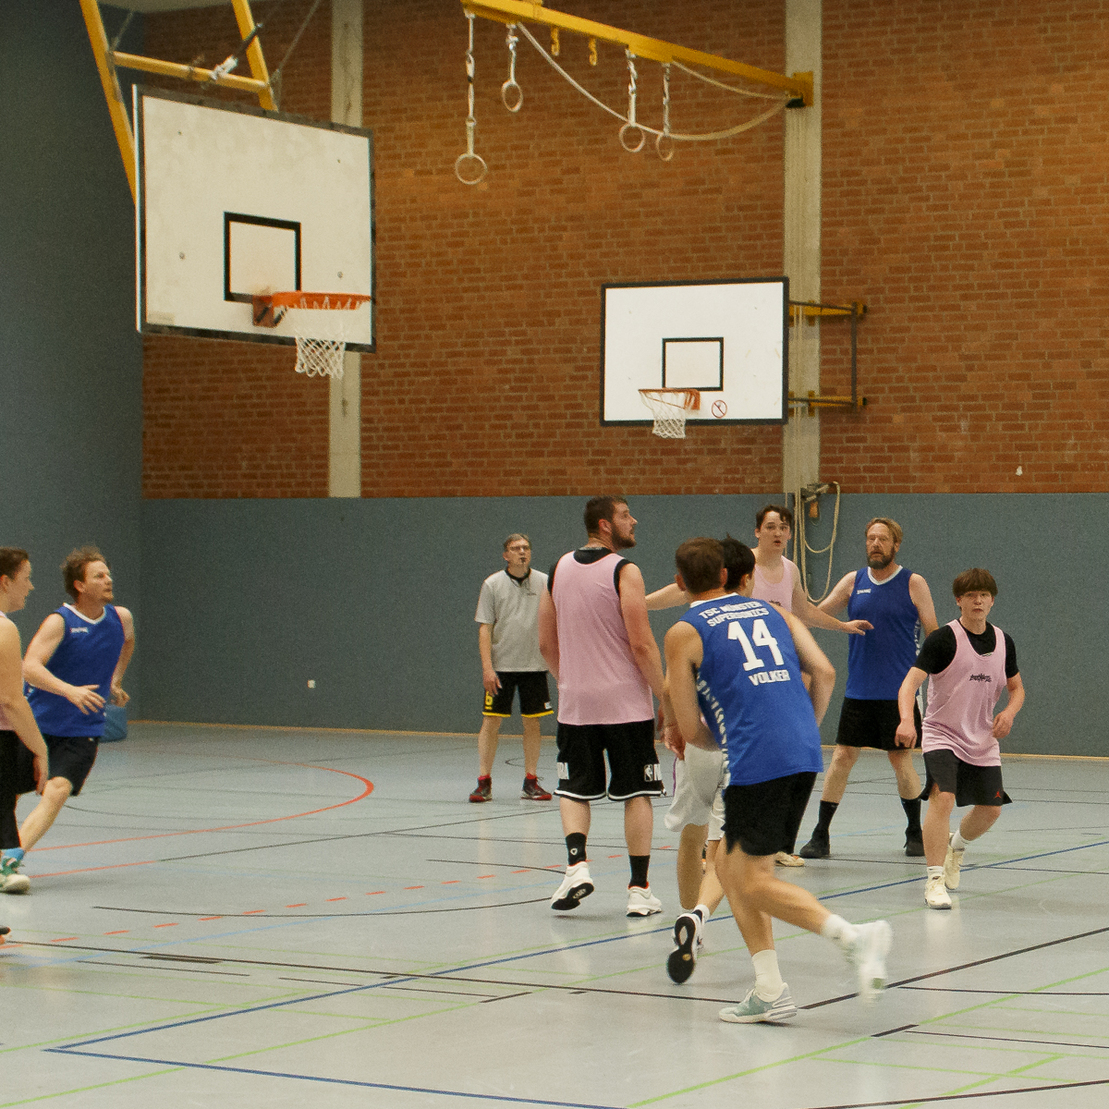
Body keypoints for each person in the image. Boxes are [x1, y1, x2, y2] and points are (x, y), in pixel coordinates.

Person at [662, 537, 891, 1022]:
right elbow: (824, 672)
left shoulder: (684, 631)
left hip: (755, 757)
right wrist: (802, 728)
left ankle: (853, 937)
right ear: (725, 576)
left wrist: (719, 736)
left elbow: (688, 729)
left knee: (749, 880)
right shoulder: (775, 612)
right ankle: (769, 988)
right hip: (803, 750)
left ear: (681, 583)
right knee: (731, 871)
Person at [539, 496, 666, 917]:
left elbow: (545, 643)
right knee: (637, 793)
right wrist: (666, 695)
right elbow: (642, 643)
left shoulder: (557, 569)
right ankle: (639, 889)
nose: (634, 520)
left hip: (576, 704)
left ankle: (576, 866)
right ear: (605, 525)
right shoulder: (624, 570)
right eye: (626, 515)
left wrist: (572, 681)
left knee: (574, 788)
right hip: (626, 705)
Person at [799, 517, 939, 859]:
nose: (875, 544)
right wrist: (834, 622)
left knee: (900, 760)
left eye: (883, 539)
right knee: (842, 758)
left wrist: (930, 678)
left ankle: (914, 832)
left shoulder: (913, 583)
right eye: (871, 538)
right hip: (859, 691)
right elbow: (814, 615)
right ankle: (820, 834)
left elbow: (934, 635)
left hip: (898, 693)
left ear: (896, 545)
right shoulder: (853, 581)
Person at [895, 569, 1024, 909]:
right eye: (970, 595)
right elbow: (909, 684)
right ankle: (934, 880)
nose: (977, 600)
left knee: (991, 810)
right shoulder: (943, 639)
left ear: (992, 600)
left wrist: (1009, 713)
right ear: (959, 600)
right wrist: (907, 719)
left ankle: (957, 846)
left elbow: (1017, 689)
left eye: (983, 595)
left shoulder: (1004, 642)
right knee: (944, 798)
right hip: (942, 734)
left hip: (982, 738)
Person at [17, 547, 134, 877]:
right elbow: (30, 667)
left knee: (57, 791)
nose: (108, 579)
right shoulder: (60, 621)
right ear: (80, 585)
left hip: (83, 729)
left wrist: (115, 679)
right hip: (38, 724)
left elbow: (128, 641)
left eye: (108, 574)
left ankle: (10, 858)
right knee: (9, 793)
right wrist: (69, 690)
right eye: (99, 576)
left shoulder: (120, 618)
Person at [468, 534, 553, 803]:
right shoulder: (492, 584)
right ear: (506, 555)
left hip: (535, 666)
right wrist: (487, 668)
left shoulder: (544, 582)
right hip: (501, 668)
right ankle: (483, 782)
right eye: (516, 549)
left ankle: (531, 781)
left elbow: (554, 621)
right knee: (491, 722)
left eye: (526, 547)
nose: (522, 552)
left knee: (533, 723)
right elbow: (485, 628)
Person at [0, 548, 49, 896]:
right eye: (26, 578)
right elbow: (11, 700)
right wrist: (40, 748)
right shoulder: (4, 629)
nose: (30, 587)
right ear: (5, 582)